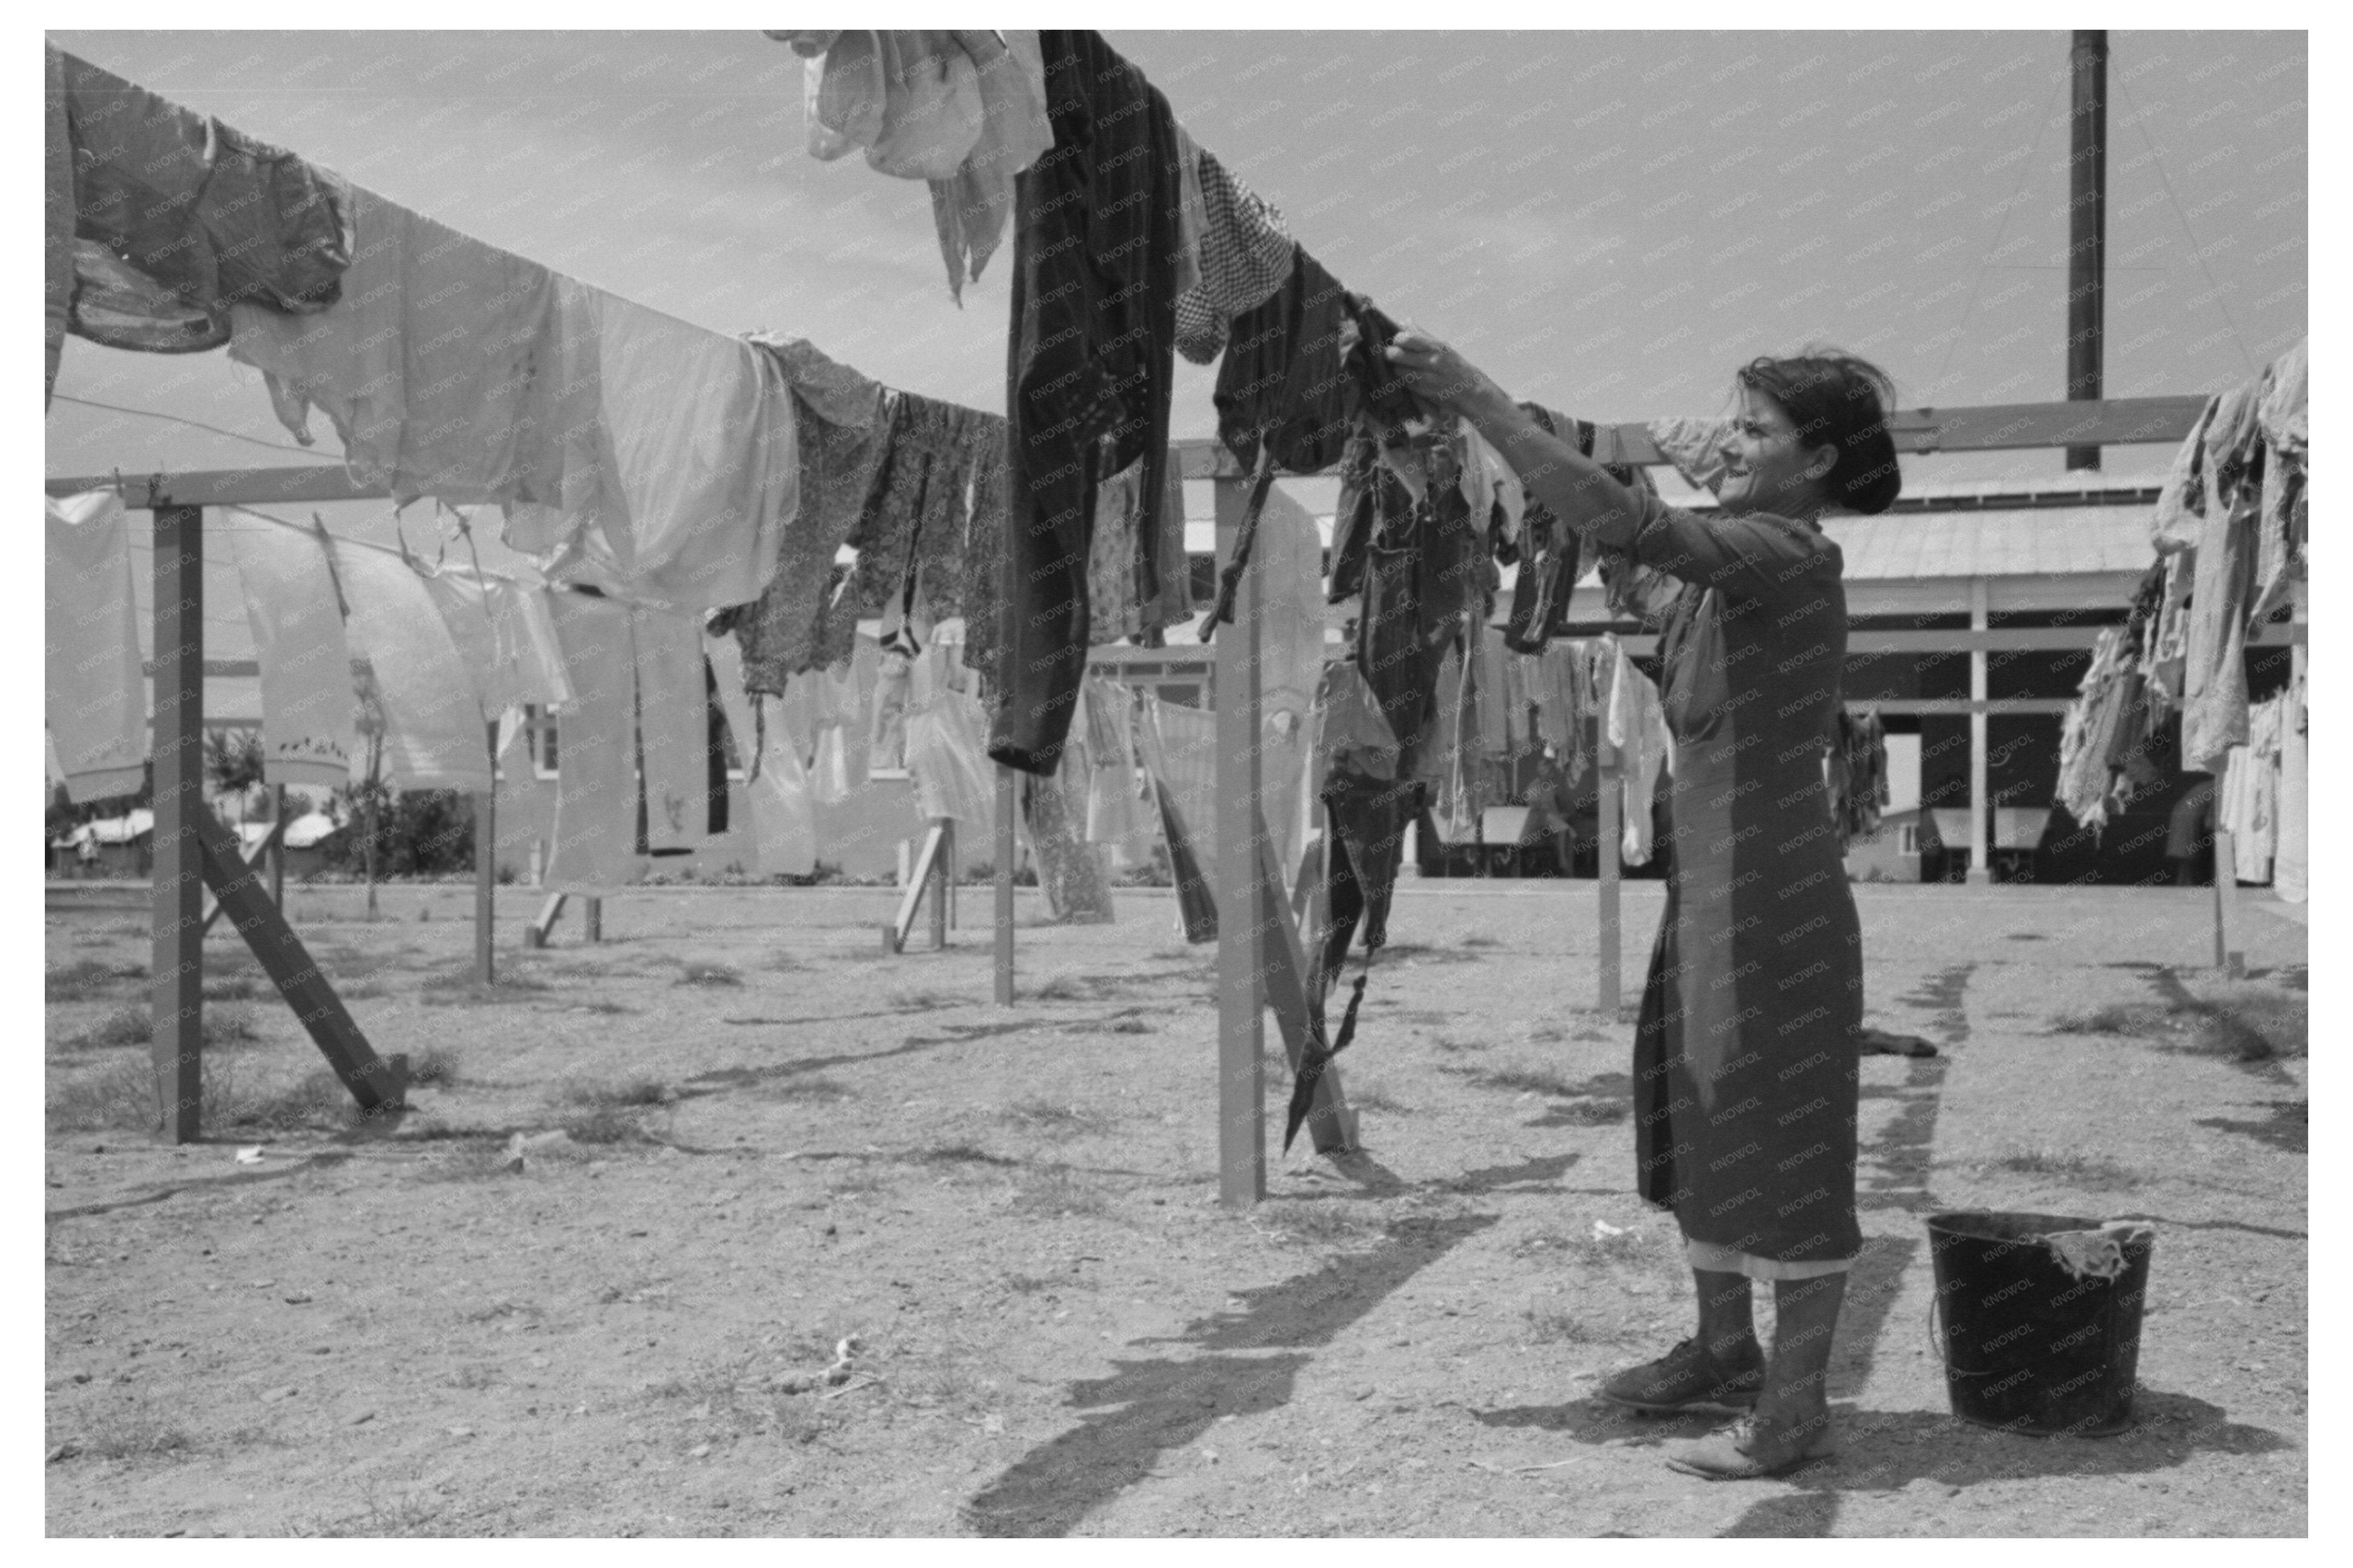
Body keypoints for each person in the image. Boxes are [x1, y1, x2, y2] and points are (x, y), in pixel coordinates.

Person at [1387, 333, 1901, 1479]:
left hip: (1773, 898)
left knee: (1780, 1134)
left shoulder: (1786, 554)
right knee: (1695, 1107)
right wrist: (1558, 448)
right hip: (1712, 887)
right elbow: (1634, 557)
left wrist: (1476, 397)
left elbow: (1633, 527)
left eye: (1758, 430)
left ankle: (1795, 1405)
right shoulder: (1724, 584)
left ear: (1816, 458)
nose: (1733, 441)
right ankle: (1723, 1348)